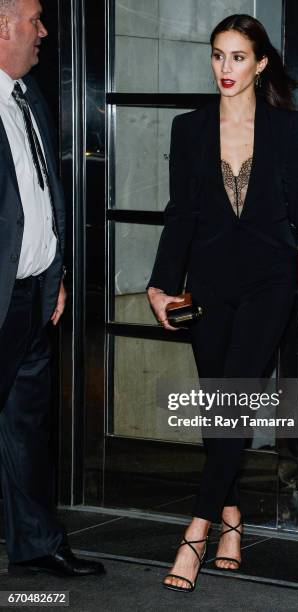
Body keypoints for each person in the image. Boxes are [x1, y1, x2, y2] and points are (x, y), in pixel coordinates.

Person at [147, 14, 298, 593]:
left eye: (238, 57)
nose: (225, 68)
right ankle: (232, 521)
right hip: (209, 286)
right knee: (220, 406)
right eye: (218, 55)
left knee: (236, 396)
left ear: (261, 62)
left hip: (270, 284)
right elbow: (181, 216)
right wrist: (159, 284)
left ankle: (193, 533)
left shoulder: (285, 129)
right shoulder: (188, 129)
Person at [0, 0, 104, 577]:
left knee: (26, 425)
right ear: (2, 24)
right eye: (34, 19)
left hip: (33, 294)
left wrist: (54, 272)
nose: (43, 31)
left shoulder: (27, 95)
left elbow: (42, 197)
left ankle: (37, 545)